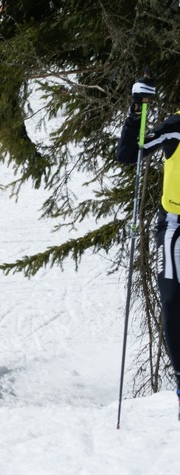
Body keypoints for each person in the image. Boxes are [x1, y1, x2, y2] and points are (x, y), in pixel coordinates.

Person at [116, 78, 180, 397]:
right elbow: (129, 154)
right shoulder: (176, 127)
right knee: (171, 299)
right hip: (175, 225)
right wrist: (137, 110)